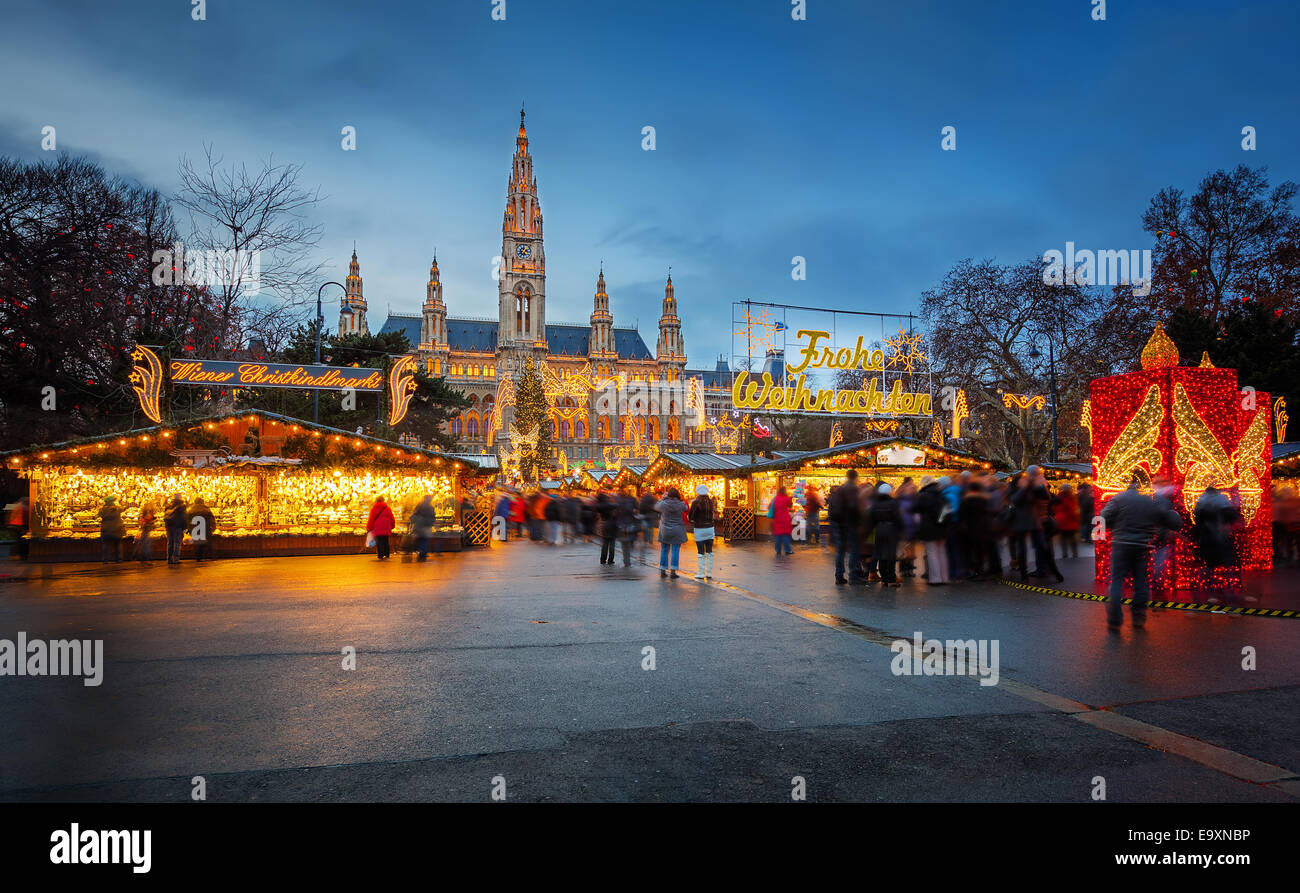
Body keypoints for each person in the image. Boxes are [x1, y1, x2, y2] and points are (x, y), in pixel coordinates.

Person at [1101, 476, 1182, 629]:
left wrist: (1114, 526)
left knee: (1117, 581)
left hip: (1121, 545)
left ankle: (1115, 619)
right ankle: (1138, 615)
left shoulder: (1118, 499)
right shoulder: (1147, 501)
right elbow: (1166, 519)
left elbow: (1103, 516)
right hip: (1142, 546)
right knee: (1141, 581)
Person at [1194, 486, 1242, 602]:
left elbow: (1198, 521)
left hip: (1208, 538)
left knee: (1209, 565)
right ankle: (1230, 591)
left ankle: (1211, 592)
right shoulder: (1222, 500)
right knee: (1229, 564)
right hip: (1223, 537)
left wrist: (1197, 537)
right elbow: (1231, 515)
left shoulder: (1202, 501)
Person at [828, 470, 862, 585]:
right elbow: (853, 506)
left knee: (840, 550)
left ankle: (839, 575)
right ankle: (853, 576)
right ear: (855, 477)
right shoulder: (852, 488)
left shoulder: (841, 488)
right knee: (853, 549)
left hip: (838, 522)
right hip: (849, 523)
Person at [866, 482, 903, 586]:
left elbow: (871, 519)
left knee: (880, 553)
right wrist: (901, 529)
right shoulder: (894, 503)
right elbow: (898, 518)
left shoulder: (875, 503)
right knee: (890, 555)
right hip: (891, 530)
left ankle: (884, 578)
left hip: (879, 529)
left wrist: (869, 531)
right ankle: (891, 579)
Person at [915, 476, 950, 584]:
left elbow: (914, 508)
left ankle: (936, 578)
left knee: (932, 553)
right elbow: (947, 510)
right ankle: (945, 577)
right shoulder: (941, 494)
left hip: (929, 528)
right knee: (942, 552)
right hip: (942, 526)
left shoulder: (923, 496)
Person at [655, 487, 689, 578]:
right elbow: (686, 508)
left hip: (665, 530)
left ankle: (662, 570)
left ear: (668, 495)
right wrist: (681, 499)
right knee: (675, 550)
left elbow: (656, 506)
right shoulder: (680, 504)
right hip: (677, 530)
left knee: (664, 549)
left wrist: (663, 498)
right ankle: (673, 571)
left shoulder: (663, 503)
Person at [688, 484, 717, 580]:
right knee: (709, 550)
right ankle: (709, 573)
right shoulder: (711, 501)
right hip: (710, 528)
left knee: (701, 551)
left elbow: (691, 516)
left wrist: (693, 519)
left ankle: (701, 573)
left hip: (700, 528)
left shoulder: (696, 502)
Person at [1052, 484, 1081, 559]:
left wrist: (1057, 516)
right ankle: (1074, 553)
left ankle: (1065, 553)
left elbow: (1054, 508)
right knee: (1072, 538)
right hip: (1070, 521)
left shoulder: (1058, 497)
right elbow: (1073, 509)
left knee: (1063, 538)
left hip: (1061, 521)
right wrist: (1077, 518)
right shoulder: (1071, 498)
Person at [615, 488, 640, 567]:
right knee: (629, 543)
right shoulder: (632, 500)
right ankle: (627, 560)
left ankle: (626, 560)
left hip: (621, 525)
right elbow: (637, 511)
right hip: (630, 524)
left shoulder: (618, 501)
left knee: (624, 544)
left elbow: (616, 514)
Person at [367, 496, 396, 560]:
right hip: (386, 527)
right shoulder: (388, 509)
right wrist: (393, 526)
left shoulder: (374, 509)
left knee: (379, 541)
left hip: (377, 528)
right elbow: (392, 518)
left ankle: (380, 555)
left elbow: (371, 519)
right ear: (383, 500)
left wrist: (369, 528)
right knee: (386, 541)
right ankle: (387, 554)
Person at [187, 497, 216, 561]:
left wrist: (189, 529)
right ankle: (211, 556)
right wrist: (213, 527)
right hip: (206, 528)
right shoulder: (206, 509)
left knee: (198, 544)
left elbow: (188, 521)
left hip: (195, 529)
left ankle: (198, 557)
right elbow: (212, 519)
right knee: (208, 543)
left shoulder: (190, 510)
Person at [409, 495, 436, 561]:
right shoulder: (430, 507)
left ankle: (418, 550)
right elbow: (433, 517)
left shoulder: (419, 505)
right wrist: (432, 523)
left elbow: (414, 514)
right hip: (426, 525)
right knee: (424, 540)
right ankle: (422, 553)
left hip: (419, 525)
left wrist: (414, 521)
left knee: (419, 538)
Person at [99, 496, 126, 562]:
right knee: (118, 544)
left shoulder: (102, 509)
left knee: (106, 545)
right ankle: (119, 559)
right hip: (117, 529)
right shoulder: (117, 508)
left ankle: (105, 560)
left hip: (106, 529)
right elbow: (123, 508)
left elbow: (98, 515)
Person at [770, 485, 794, 556]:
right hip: (785, 519)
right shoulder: (786, 498)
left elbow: (769, 507)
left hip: (777, 519)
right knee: (786, 535)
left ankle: (778, 550)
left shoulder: (775, 499)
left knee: (778, 535)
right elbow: (790, 505)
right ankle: (788, 550)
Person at [596, 491, 618, 565]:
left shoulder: (599, 505)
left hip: (604, 523)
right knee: (612, 543)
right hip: (611, 524)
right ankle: (610, 560)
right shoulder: (608, 504)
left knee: (605, 543)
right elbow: (616, 505)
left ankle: (602, 560)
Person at [164, 494, 187, 565]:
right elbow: (183, 518)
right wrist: (184, 527)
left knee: (170, 543)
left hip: (169, 527)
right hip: (177, 527)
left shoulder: (168, 506)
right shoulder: (181, 506)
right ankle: (176, 559)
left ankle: (169, 559)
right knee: (177, 543)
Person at [5, 496, 29, 561]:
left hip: (13, 524)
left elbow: (9, 514)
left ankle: (14, 555)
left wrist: (8, 522)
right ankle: (16, 555)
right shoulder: (24, 507)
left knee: (18, 540)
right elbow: (24, 518)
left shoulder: (16, 505)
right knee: (20, 541)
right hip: (18, 525)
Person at [638, 489, 659, 556]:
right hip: (651, 516)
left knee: (645, 529)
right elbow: (656, 508)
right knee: (651, 528)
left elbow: (640, 508)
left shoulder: (643, 500)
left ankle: (646, 540)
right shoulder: (654, 499)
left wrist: (641, 513)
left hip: (645, 516)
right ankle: (650, 541)